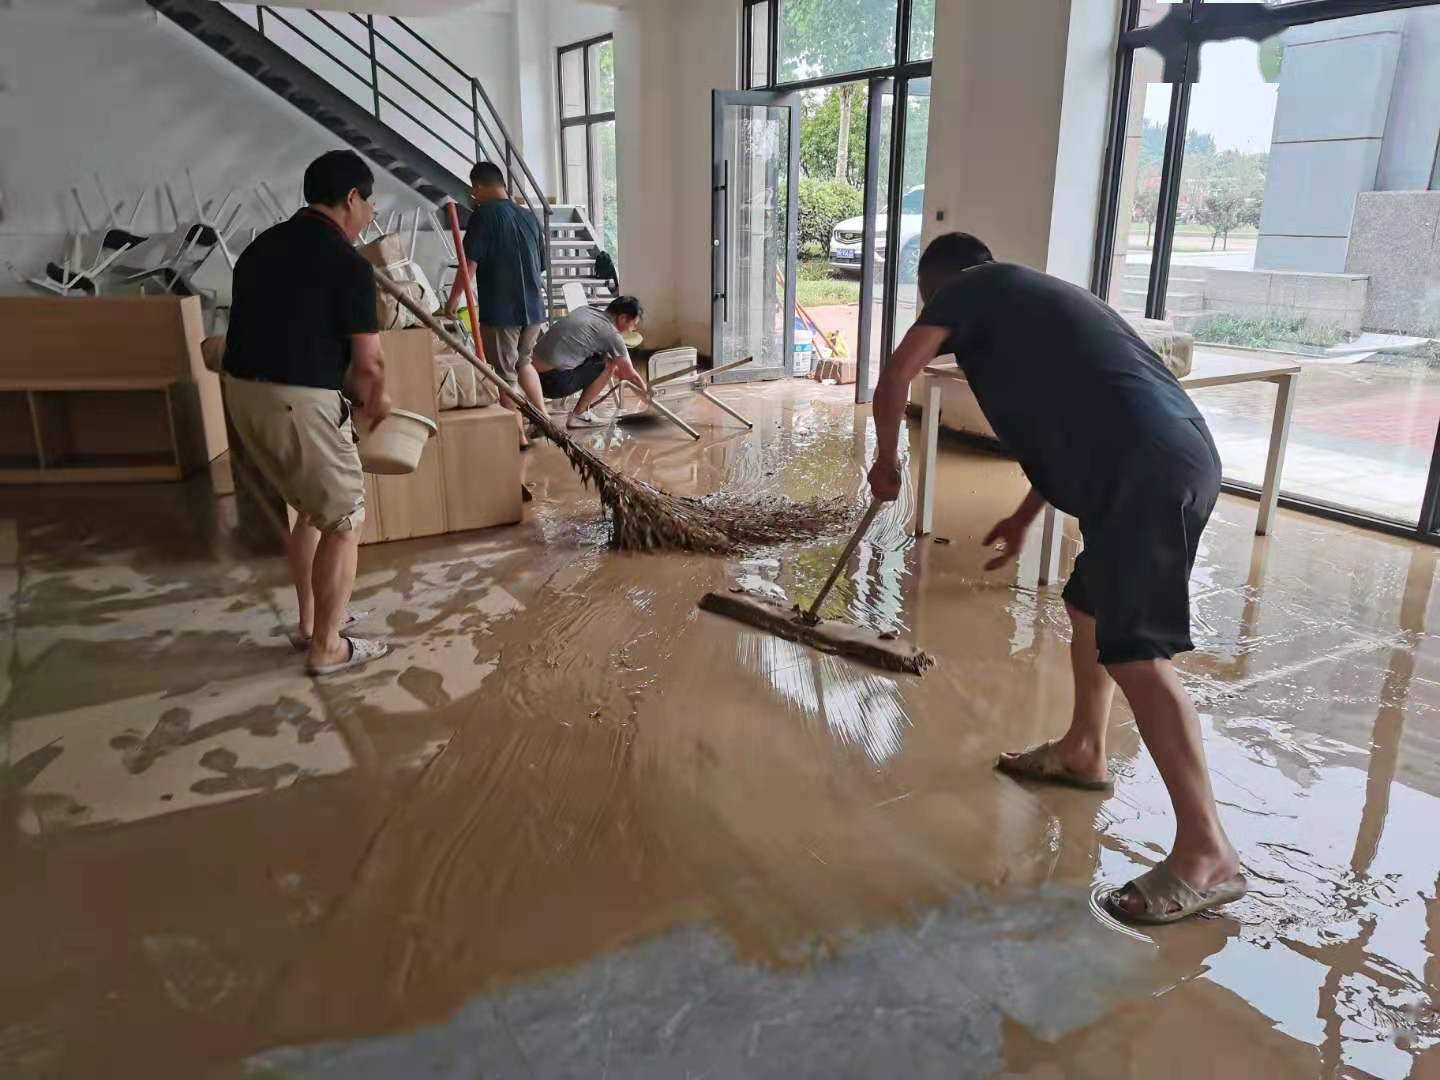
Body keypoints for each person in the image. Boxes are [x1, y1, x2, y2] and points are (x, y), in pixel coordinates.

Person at [867, 232, 1244, 926]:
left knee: (1137, 652)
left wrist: (887, 463)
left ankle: (1207, 851)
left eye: (929, 307)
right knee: (1088, 609)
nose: (936, 325)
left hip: (1148, 472)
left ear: (939, 285)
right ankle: (1082, 750)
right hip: (1150, 461)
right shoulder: (1029, 306)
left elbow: (894, 379)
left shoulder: (972, 290)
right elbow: (1073, 419)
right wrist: (1022, 515)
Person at [223, 149, 391, 677]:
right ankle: (328, 647)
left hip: (243, 396)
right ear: (350, 199)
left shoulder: (259, 248)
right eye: (369, 205)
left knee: (309, 510)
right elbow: (369, 363)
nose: (369, 218)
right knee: (344, 518)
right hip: (297, 403)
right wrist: (375, 401)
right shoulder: (348, 263)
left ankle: (311, 622)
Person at [445, 161, 546, 448]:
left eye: (473, 192)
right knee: (524, 362)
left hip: (503, 311)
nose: (473, 198)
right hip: (534, 308)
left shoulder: (483, 216)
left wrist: (452, 303)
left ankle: (518, 436)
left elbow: (468, 266)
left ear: (478, 187)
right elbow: (540, 265)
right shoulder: (529, 217)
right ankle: (544, 419)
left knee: (504, 376)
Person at [531, 296, 649, 429]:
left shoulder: (585, 311)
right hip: (551, 383)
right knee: (608, 364)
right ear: (622, 318)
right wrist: (648, 398)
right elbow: (630, 375)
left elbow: (622, 373)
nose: (632, 330)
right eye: (633, 325)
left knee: (603, 358)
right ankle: (578, 415)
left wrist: (620, 373)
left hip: (529, 378)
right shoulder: (611, 334)